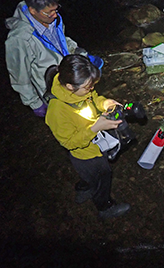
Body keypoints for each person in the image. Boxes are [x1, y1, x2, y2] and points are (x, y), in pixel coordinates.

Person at [45, 54, 129, 219]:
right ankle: (105, 208)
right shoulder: (56, 112)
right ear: (69, 86)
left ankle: (84, 188)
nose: (90, 89)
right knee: (102, 177)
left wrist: (104, 103)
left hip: (95, 144)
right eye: (87, 87)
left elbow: (93, 98)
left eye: (92, 86)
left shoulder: (78, 88)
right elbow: (68, 143)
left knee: (89, 177)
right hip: (85, 155)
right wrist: (95, 128)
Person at [5, 0, 103, 117]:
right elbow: (19, 76)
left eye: (56, 9)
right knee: (72, 126)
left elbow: (61, 41)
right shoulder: (19, 39)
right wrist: (35, 103)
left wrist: (81, 54)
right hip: (53, 90)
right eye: (49, 12)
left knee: (90, 112)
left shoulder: (53, 20)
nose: (55, 15)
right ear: (33, 11)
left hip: (71, 79)